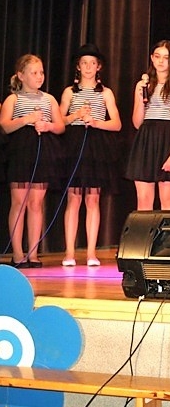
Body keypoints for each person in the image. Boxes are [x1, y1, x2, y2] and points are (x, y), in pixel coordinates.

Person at [59, 44, 122, 267]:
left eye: (92, 63)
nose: (88, 67)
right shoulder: (69, 92)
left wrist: (95, 122)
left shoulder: (106, 93)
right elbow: (59, 120)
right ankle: (69, 252)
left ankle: (91, 252)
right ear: (78, 66)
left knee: (93, 199)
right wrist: (76, 115)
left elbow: (116, 124)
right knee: (74, 199)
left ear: (98, 67)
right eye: (84, 63)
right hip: (74, 145)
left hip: (96, 145)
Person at [0, 54, 65, 267]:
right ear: (21, 75)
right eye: (34, 73)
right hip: (20, 151)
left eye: (41, 72)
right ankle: (18, 253)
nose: (39, 76)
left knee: (36, 203)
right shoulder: (13, 99)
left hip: (42, 151)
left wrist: (48, 126)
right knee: (19, 202)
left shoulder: (49, 99)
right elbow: (5, 125)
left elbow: (60, 126)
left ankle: (34, 252)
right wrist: (26, 119)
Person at [126, 40, 170, 210]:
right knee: (144, 200)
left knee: (168, 200)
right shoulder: (143, 84)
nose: (161, 61)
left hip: (168, 136)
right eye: (157, 56)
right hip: (146, 138)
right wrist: (141, 97)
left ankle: (168, 230)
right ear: (151, 58)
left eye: (166, 57)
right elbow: (137, 123)